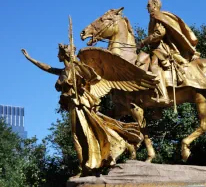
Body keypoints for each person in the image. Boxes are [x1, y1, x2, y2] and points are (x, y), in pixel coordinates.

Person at [21, 44, 142, 176]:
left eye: (59, 54)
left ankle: (86, 167)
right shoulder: (63, 71)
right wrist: (30, 58)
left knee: (84, 133)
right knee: (88, 130)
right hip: (72, 104)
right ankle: (110, 151)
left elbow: (95, 78)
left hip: (80, 103)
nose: (57, 56)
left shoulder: (77, 68)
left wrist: (80, 80)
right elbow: (47, 67)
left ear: (63, 55)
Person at [137, 0, 201, 104]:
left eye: (148, 5)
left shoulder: (156, 15)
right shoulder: (155, 17)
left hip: (160, 49)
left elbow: (159, 33)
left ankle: (163, 95)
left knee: (153, 66)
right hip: (156, 47)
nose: (147, 7)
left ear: (155, 5)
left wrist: (143, 42)